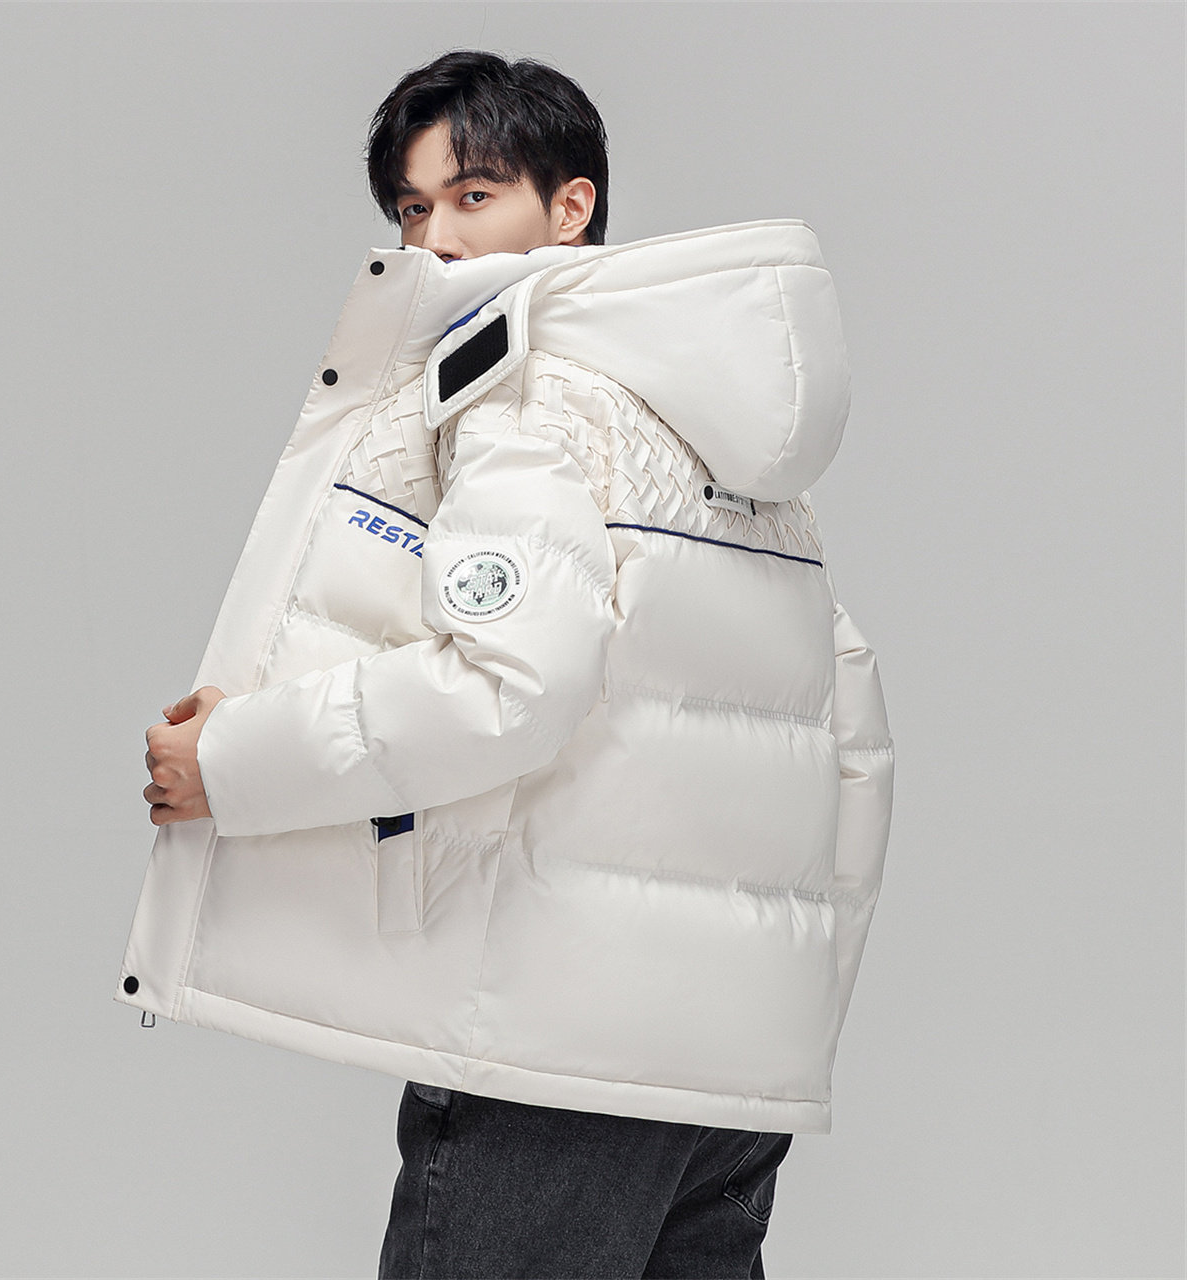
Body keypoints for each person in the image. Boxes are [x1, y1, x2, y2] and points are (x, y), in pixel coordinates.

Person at [119, 50, 895, 1280]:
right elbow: (849, 748)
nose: (435, 238)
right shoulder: (725, 448)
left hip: (553, 1055)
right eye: (411, 207)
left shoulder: (526, 394)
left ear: (570, 204)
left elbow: (508, 686)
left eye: (472, 196)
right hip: (726, 1072)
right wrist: (792, 1017)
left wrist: (232, 759)